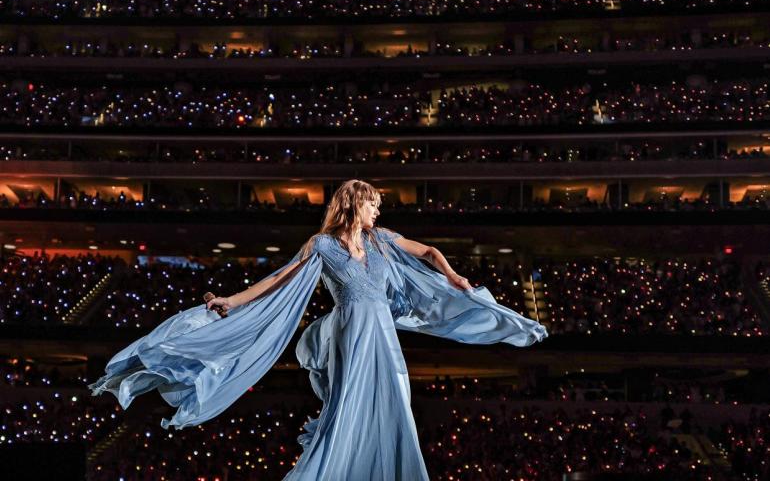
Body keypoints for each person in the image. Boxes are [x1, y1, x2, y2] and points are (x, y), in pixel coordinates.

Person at [89, 179, 548, 480]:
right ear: (355, 203)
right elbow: (278, 280)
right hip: (350, 333)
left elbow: (428, 251)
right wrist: (231, 300)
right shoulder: (323, 245)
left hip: (383, 334)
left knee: (396, 400)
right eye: (373, 205)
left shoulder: (382, 240)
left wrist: (455, 277)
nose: (377, 211)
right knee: (347, 404)